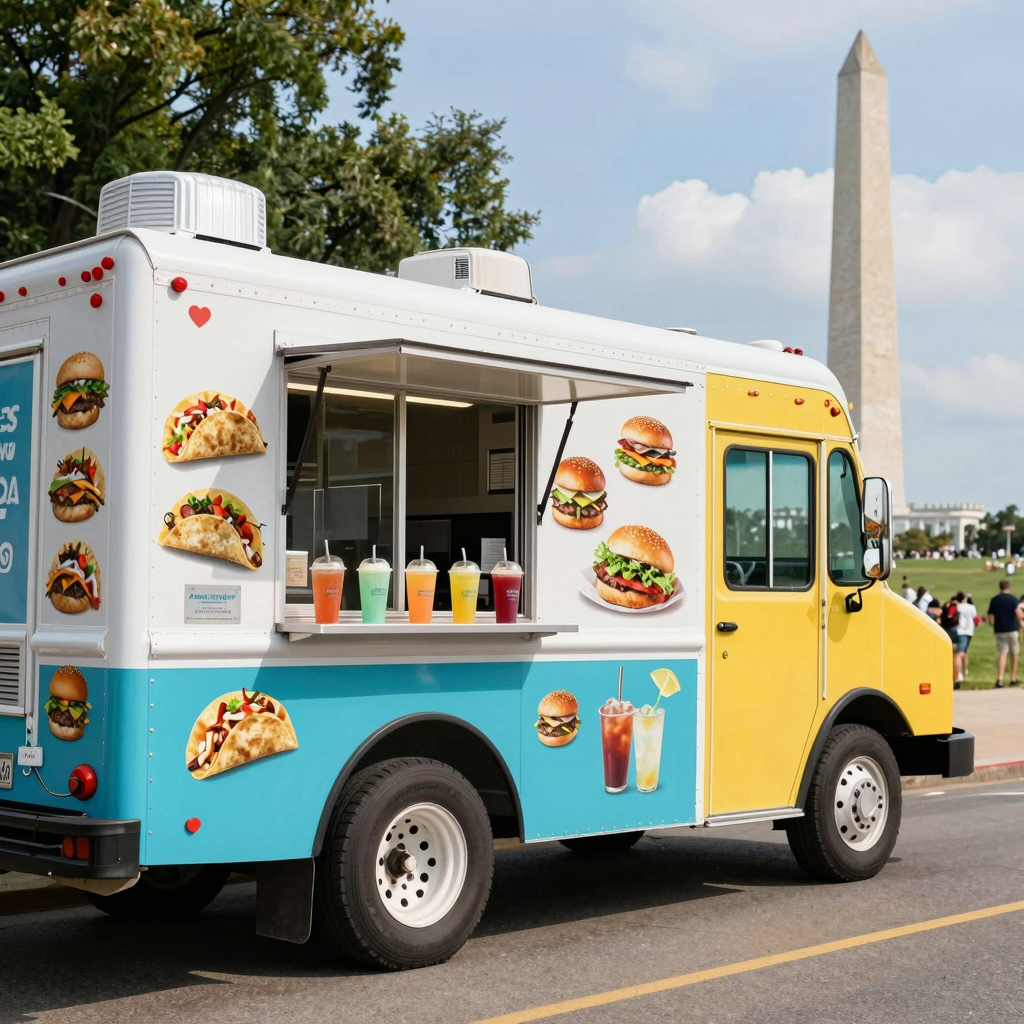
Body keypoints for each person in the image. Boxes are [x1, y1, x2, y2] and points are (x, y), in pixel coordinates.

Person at [987, 579, 1024, 688]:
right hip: (1012, 629)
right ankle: (1013, 677)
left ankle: (1000, 679)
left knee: (1002, 653)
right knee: (1014, 653)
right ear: (1009, 587)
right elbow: (1019, 614)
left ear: (1000, 587)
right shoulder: (1013, 599)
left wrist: (992, 624)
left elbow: (990, 615)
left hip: (999, 629)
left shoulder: (995, 600)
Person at [955, 591, 977, 686]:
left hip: (960, 630)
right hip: (969, 630)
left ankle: (958, 674)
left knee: (958, 653)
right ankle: (965, 671)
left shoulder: (958, 607)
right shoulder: (971, 607)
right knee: (964, 652)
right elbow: (974, 615)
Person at [939, 594, 960, 683]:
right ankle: (956, 678)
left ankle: (946, 677)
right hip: (953, 630)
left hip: (944, 630)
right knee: (955, 655)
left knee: (945, 655)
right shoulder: (954, 607)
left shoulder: (945, 605)